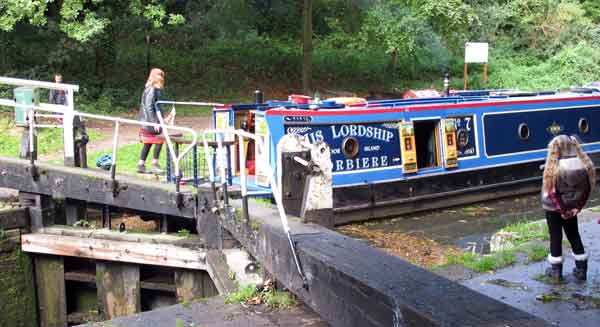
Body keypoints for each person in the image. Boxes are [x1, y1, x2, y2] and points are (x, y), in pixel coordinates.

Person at [541, 134, 595, 282]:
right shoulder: (584, 165)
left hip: (554, 209)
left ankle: (556, 271)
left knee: (555, 237)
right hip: (572, 207)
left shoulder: (554, 168)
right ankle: (581, 269)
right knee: (574, 235)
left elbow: (551, 193)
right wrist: (577, 207)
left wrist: (562, 210)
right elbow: (587, 189)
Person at [137, 68, 174, 174]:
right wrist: (154, 122)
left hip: (148, 121)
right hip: (149, 122)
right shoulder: (152, 89)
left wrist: (164, 119)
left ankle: (141, 164)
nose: (161, 78)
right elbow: (149, 107)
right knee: (159, 139)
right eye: (159, 76)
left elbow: (155, 107)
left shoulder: (151, 89)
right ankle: (154, 164)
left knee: (148, 143)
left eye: (162, 76)